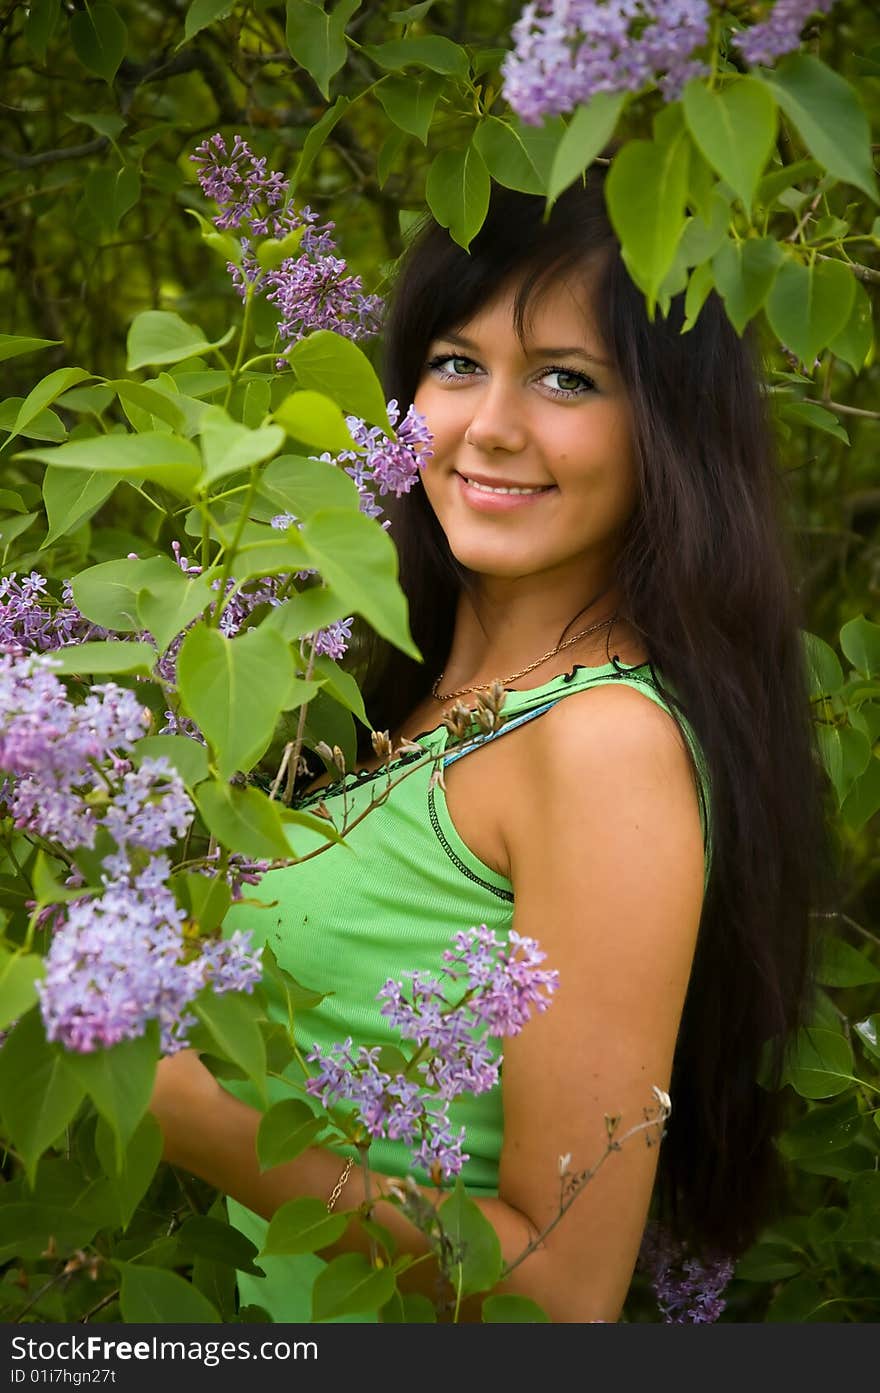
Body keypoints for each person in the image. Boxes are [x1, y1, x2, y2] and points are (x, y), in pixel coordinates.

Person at [148, 168, 836, 1323]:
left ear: (667, 429)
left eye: (568, 379)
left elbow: (562, 1289)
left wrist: (192, 1117)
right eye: (456, 364)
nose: (490, 427)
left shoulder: (603, 742)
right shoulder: (391, 701)